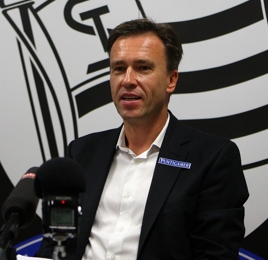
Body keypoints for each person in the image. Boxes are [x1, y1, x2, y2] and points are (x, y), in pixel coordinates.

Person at [37, 18, 248, 259]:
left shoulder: (211, 158)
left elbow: (216, 255)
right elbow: (56, 244)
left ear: (171, 80)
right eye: (118, 68)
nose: (127, 80)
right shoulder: (82, 152)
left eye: (143, 68)